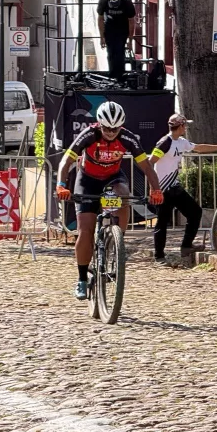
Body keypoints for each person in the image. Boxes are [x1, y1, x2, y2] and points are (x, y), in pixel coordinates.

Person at [55, 102, 165, 299]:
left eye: (115, 129)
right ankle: (81, 279)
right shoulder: (89, 135)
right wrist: (61, 185)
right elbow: (66, 160)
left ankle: (117, 240)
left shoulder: (127, 137)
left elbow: (147, 167)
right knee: (85, 231)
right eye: (107, 128)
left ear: (121, 126)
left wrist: (155, 190)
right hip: (87, 180)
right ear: (99, 124)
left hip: (113, 178)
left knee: (123, 193)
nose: (111, 132)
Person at [149, 114, 217, 263]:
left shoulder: (181, 141)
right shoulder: (165, 142)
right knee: (162, 222)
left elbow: (198, 148)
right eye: (184, 126)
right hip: (163, 189)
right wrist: (153, 188)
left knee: (195, 212)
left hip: (175, 187)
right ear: (180, 127)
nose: (186, 128)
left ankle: (186, 246)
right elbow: (150, 162)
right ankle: (159, 256)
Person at [96, 0, 136, 78]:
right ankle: (112, 73)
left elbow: (131, 22)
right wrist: (102, 37)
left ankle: (120, 74)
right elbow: (100, 19)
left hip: (123, 25)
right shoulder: (103, 1)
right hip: (110, 25)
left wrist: (130, 40)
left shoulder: (126, 1)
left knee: (119, 50)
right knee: (110, 51)